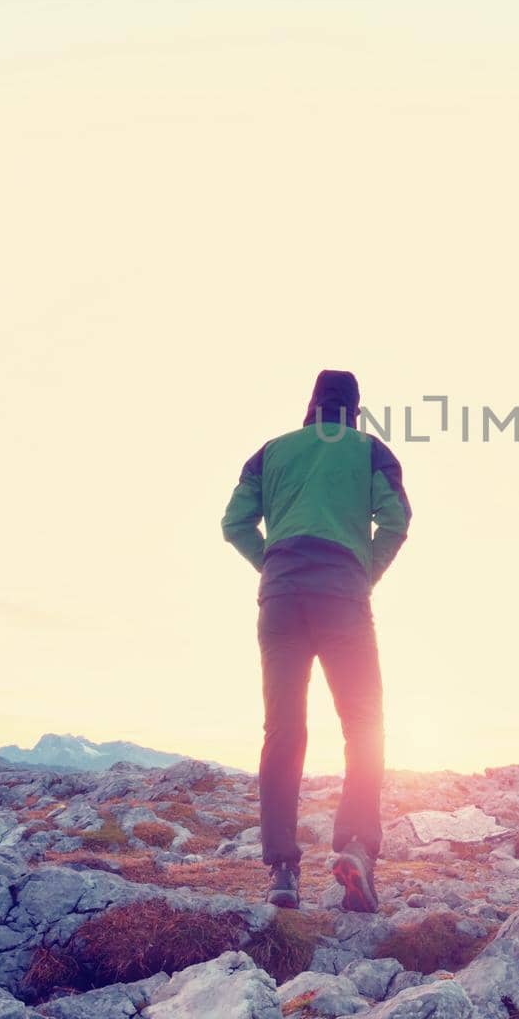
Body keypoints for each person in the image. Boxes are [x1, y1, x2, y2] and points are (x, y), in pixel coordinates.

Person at [221, 369, 410, 912]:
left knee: (283, 731)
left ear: (310, 406)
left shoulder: (271, 453)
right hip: (343, 594)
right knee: (364, 724)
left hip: (279, 596)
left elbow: (235, 523)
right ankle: (355, 848)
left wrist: (274, 567)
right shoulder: (370, 450)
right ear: (355, 409)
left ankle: (282, 870)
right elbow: (395, 522)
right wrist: (360, 575)